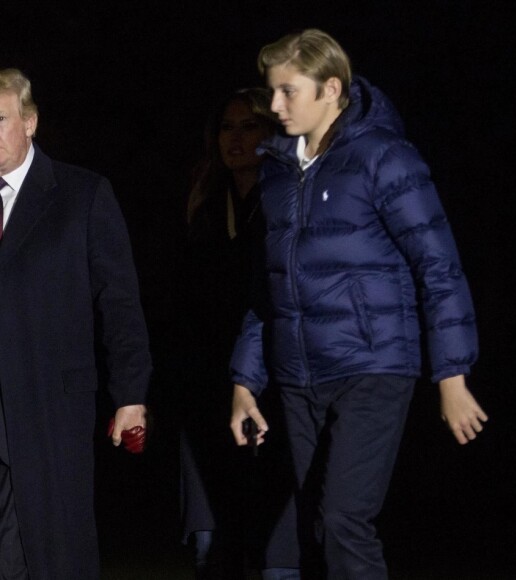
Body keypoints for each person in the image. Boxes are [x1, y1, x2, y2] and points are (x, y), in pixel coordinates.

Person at [229, 30, 489, 579]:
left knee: (345, 517)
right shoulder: (276, 172)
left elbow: (438, 265)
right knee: (317, 527)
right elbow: (266, 289)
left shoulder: (384, 158)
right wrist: (244, 383)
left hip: (374, 365)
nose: (273, 106)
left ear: (330, 88)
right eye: (270, 92)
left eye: (287, 92)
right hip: (299, 374)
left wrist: (452, 375)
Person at [0, 68, 151, 579]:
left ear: (30, 121)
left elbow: (121, 303)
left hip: (49, 413)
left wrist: (130, 393)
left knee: (52, 553)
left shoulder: (81, 195)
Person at [175, 88, 299, 579]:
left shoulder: (285, 198)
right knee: (213, 537)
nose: (236, 139)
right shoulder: (205, 203)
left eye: (248, 127)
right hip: (208, 381)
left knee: (272, 535)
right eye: (227, 128)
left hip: (270, 380)